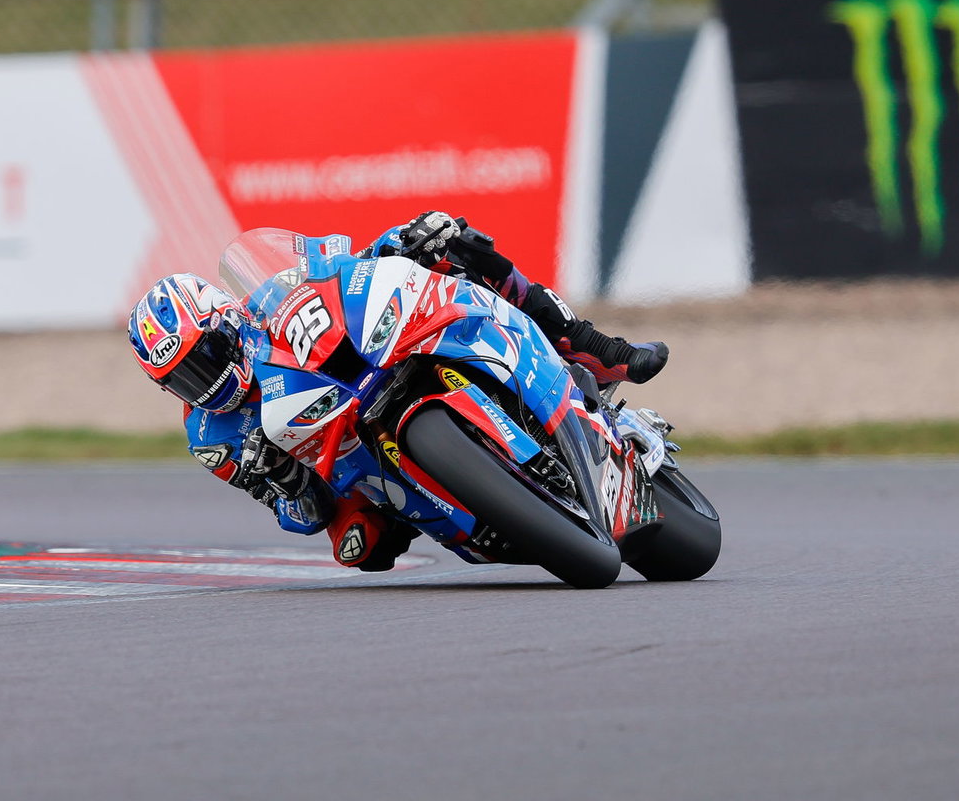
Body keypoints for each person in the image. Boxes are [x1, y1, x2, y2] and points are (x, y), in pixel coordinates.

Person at [125, 212, 669, 572]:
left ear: (225, 320)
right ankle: (486, 505)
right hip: (344, 458)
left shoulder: (266, 299)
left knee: (450, 241)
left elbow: (338, 264)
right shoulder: (210, 437)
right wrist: (286, 481)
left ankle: (593, 347)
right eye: (181, 379)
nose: (202, 382)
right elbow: (302, 516)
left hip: (371, 356)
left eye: (205, 358)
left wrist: (401, 241)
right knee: (358, 545)